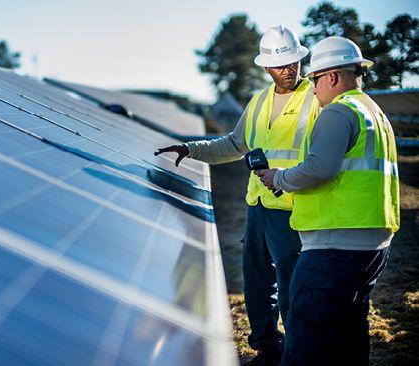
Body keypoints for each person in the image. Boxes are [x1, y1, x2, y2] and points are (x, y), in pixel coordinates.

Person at [155, 26, 319, 366]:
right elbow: (233, 144)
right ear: (266, 68)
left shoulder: (317, 99)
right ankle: (267, 348)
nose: (290, 69)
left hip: (293, 207)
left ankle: (295, 354)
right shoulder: (258, 102)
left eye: (294, 62)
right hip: (258, 206)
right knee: (257, 283)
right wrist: (191, 148)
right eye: (281, 64)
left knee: (291, 287)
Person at [255, 36, 400, 366]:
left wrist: (278, 178)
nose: (314, 91)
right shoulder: (374, 113)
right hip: (372, 245)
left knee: (307, 338)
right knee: (348, 334)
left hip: (334, 247)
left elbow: (319, 168)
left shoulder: (338, 112)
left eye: (316, 81)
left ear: (331, 76)